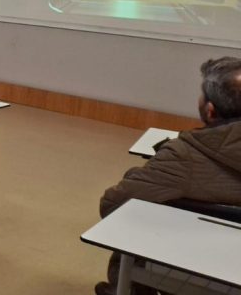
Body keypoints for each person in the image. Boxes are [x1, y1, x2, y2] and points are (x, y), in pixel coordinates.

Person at [93, 57, 241, 295]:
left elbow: (112, 206)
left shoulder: (182, 157)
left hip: (188, 266)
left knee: (139, 214)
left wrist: (136, 174)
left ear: (210, 110)